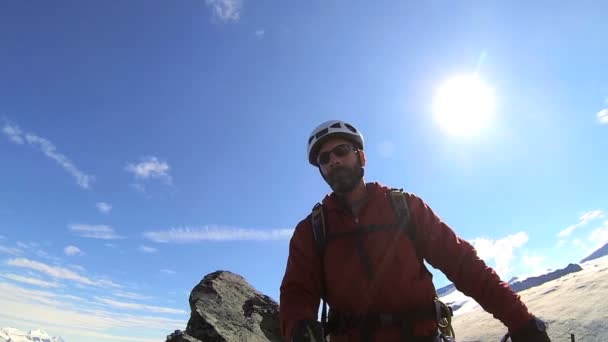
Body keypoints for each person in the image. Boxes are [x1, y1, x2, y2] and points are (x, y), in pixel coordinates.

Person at [279, 120, 552, 342]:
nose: (334, 161)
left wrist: (521, 321)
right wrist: (299, 326)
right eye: (324, 158)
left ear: (360, 156)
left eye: (341, 151)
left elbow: (463, 264)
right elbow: (297, 290)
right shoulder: (311, 230)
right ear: (322, 171)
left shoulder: (404, 206)